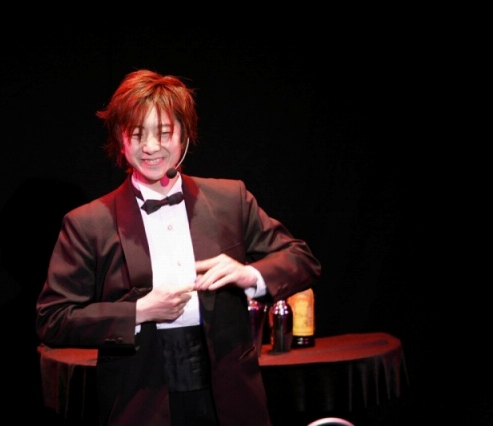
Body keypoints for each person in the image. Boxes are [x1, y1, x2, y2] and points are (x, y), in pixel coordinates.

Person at [35, 69, 322, 425]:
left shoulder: (229, 199)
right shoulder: (89, 222)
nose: (151, 147)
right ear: (120, 140)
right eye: (137, 134)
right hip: (140, 398)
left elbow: (303, 260)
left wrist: (248, 274)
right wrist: (139, 311)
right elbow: (52, 320)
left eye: (164, 133)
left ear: (185, 134)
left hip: (229, 394)